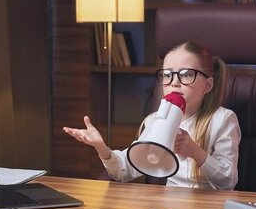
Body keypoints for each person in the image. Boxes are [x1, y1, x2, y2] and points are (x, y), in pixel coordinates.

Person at [63, 42, 241, 190]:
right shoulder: (155, 120)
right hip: (170, 208)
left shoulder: (222, 119)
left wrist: (196, 152)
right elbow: (124, 170)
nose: (175, 83)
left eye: (186, 74)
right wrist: (101, 148)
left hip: (209, 208)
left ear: (208, 85)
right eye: (168, 75)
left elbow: (228, 181)